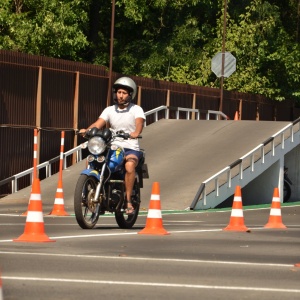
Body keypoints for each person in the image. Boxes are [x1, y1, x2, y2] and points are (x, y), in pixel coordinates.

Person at [79, 77, 145, 215]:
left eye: (124, 93)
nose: (120, 95)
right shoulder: (109, 110)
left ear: (130, 95)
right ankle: (88, 193)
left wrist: (136, 132)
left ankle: (128, 201)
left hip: (130, 146)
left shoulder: (136, 109)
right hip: (112, 145)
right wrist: (87, 130)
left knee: (129, 166)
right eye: (119, 92)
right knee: (92, 160)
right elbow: (98, 123)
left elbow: (139, 123)